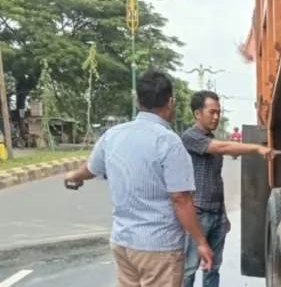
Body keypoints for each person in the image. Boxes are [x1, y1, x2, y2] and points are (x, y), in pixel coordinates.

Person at [63, 70, 213, 287]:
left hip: (123, 243)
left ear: (137, 100)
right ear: (170, 103)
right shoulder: (168, 142)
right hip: (158, 248)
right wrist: (200, 241)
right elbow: (180, 198)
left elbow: (91, 168)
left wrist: (73, 175)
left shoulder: (113, 135)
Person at [181, 90, 281, 287]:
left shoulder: (211, 138)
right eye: (212, 112)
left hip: (216, 214)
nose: (217, 117)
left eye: (218, 112)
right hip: (198, 213)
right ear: (197, 114)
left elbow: (216, 180)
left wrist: (223, 213)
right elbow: (223, 148)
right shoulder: (191, 137)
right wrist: (256, 148)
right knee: (189, 270)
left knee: (213, 267)